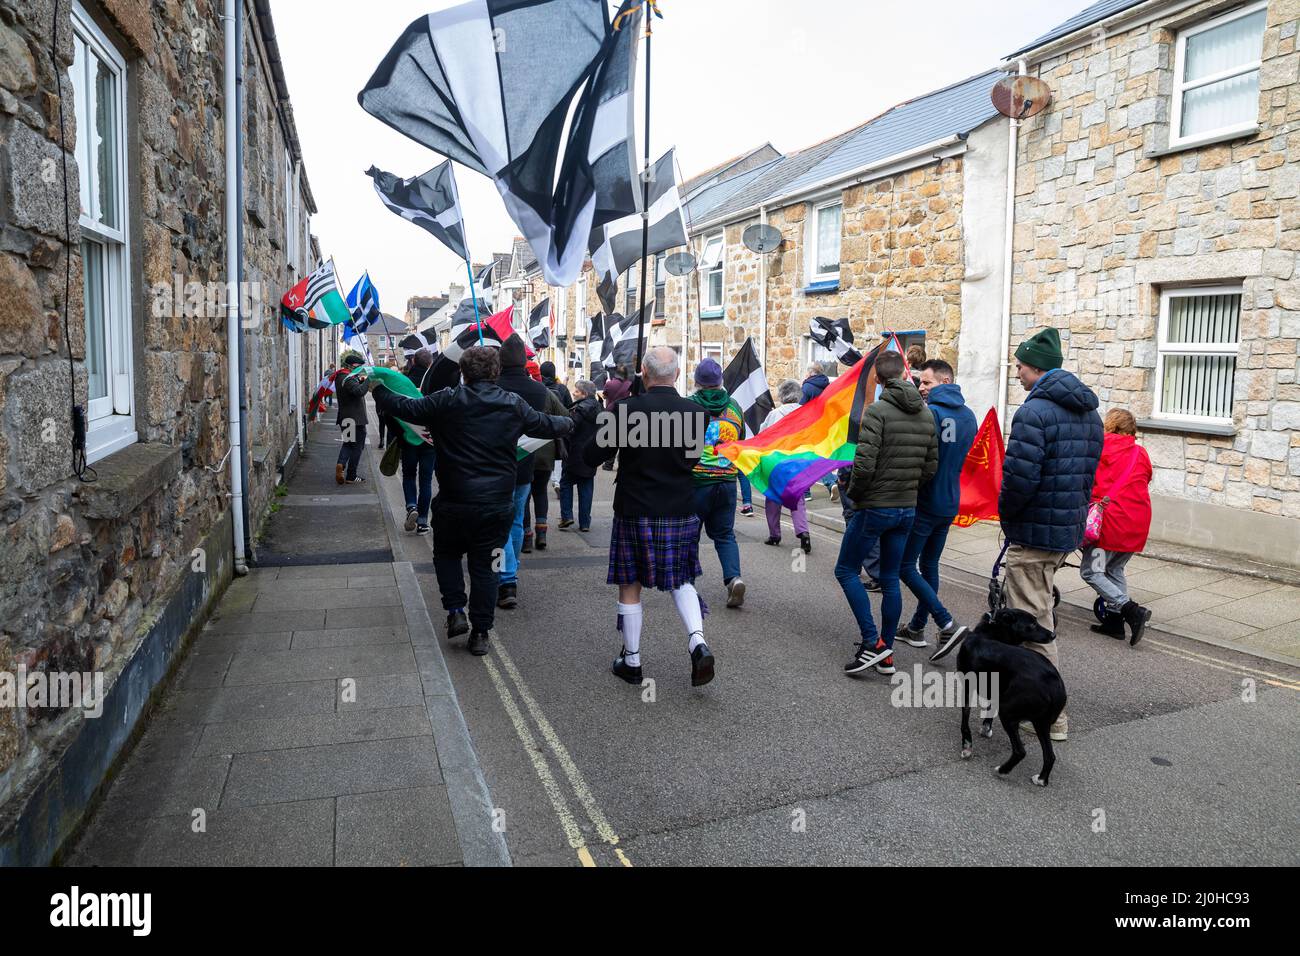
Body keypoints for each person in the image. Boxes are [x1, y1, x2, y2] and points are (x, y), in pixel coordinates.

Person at [371, 346, 572, 656]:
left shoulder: (447, 400)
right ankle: (480, 632)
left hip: (454, 500)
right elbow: (550, 425)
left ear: (463, 372)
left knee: (447, 556)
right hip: (496, 506)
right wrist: (577, 418)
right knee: (487, 567)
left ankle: (455, 611)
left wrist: (376, 388)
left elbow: (404, 407)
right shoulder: (512, 404)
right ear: (496, 371)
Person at [584, 347, 716, 687]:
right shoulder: (695, 413)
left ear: (643, 371)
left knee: (631, 582)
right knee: (682, 577)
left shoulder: (625, 410)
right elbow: (690, 459)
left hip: (635, 507)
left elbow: (592, 454)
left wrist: (619, 416)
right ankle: (697, 641)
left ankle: (632, 660)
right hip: (679, 506)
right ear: (676, 372)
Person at [998, 326, 1103, 742]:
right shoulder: (1090, 414)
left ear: (1035, 368)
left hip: (1035, 532)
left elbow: (1020, 480)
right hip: (1064, 530)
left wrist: (1006, 514)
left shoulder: (1034, 412)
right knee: (1037, 610)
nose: (1018, 375)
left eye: (1020, 368)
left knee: (1033, 622)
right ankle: (1019, 695)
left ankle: (1052, 716)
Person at [837, 350, 937, 677]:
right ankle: (887, 652)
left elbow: (863, 466)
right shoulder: (925, 414)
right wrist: (906, 488)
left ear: (878, 378)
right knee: (891, 577)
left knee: (846, 570)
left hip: (875, 506)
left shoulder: (877, 412)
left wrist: (855, 495)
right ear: (906, 376)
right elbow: (929, 467)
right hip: (906, 508)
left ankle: (872, 643)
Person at [896, 359, 976, 658]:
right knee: (929, 565)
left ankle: (945, 622)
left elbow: (918, 461)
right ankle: (917, 627)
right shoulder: (969, 416)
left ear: (944, 381)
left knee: (905, 566)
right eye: (920, 382)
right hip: (950, 501)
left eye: (926, 382)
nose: (921, 387)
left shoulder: (929, 413)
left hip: (926, 501)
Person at [1081, 409, 1153, 646]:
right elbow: (1146, 477)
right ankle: (1114, 622)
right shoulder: (1140, 452)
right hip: (1137, 522)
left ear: (1109, 425)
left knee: (1092, 571)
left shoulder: (1101, 448)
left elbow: (1086, 479)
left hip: (1109, 526)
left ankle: (1130, 609)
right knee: (1114, 569)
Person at [494, 334, 551, 610]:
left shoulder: (493, 387)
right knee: (516, 520)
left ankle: (504, 580)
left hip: (494, 466)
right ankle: (510, 572)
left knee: (497, 525)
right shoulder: (539, 391)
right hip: (525, 464)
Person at [689, 358, 747, 609]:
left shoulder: (688, 406)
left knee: (690, 535)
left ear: (697, 382)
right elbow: (741, 438)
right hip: (726, 480)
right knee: (724, 534)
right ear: (720, 381)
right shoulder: (734, 407)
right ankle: (734, 578)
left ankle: (687, 584)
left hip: (697, 481)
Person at [760, 380, 812, 553]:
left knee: (773, 498)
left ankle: (775, 534)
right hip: (799, 462)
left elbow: (763, 434)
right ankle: (803, 532)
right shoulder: (806, 413)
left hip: (777, 462)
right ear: (799, 395)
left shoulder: (774, 414)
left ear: (782, 395)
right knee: (797, 498)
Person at [522, 384, 569, 552]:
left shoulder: (509, 391)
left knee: (524, 495)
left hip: (521, 450)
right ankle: (541, 534)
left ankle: (526, 537)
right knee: (540, 491)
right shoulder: (545, 392)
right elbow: (564, 414)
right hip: (544, 450)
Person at [399, 349, 439, 535]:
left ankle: (411, 506)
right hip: (430, 440)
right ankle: (423, 521)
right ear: (430, 363)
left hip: (409, 438)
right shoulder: (436, 381)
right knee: (426, 480)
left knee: (408, 475)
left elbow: (395, 409)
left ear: (413, 361)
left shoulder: (404, 382)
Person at [559, 380, 600, 531]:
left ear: (584, 394)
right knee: (586, 486)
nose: (573, 393)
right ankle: (584, 523)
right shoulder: (599, 407)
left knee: (565, 484)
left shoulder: (580, 409)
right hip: (592, 453)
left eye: (576, 391)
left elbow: (570, 428)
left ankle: (566, 516)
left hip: (575, 453)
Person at [803, 361, 839, 501]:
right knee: (819, 457)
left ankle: (806, 491)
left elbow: (800, 408)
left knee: (806, 457)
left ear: (811, 373)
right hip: (825, 425)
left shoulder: (807, 387)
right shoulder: (828, 386)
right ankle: (830, 483)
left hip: (810, 426)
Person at [334, 353, 369, 485]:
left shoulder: (342, 376)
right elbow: (358, 391)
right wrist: (368, 380)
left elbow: (353, 387)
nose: (360, 369)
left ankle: (341, 464)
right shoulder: (347, 378)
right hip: (355, 419)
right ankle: (351, 475)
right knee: (357, 447)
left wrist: (360, 381)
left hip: (347, 417)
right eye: (359, 367)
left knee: (348, 443)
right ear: (352, 366)